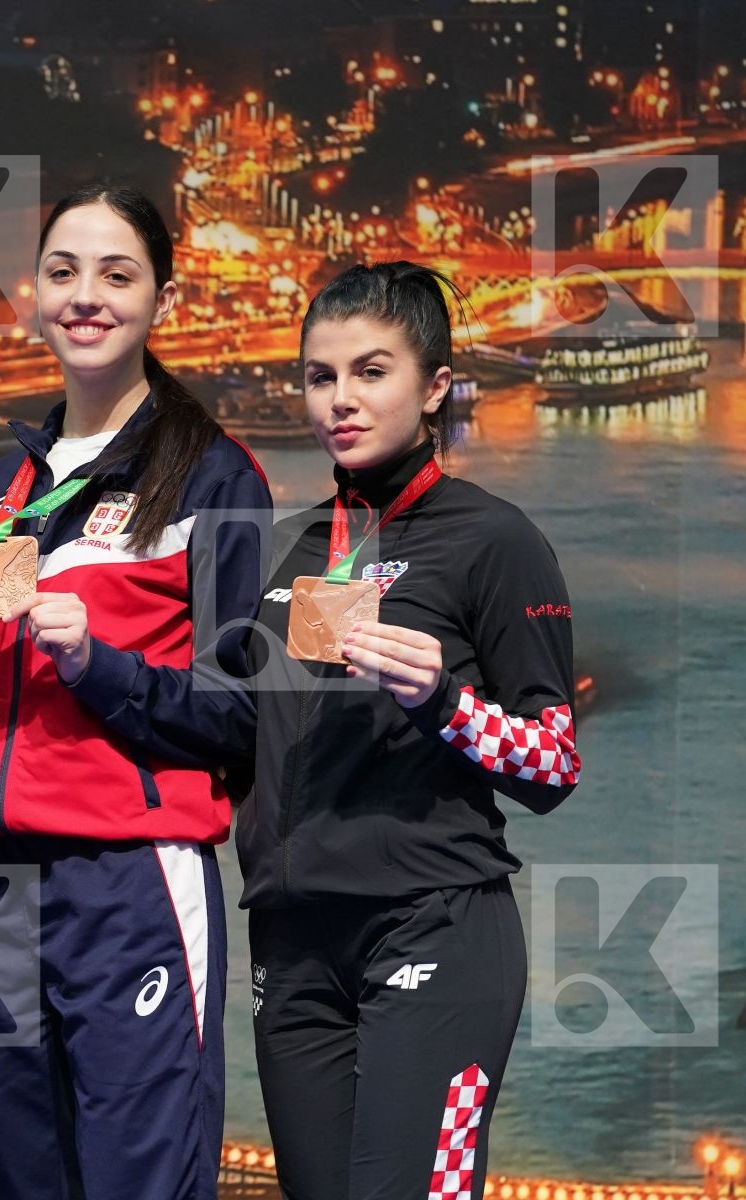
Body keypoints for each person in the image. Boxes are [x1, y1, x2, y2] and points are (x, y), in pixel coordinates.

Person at [0, 183, 273, 1199]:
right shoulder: (2, 487)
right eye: (65, 272)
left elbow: (239, 709)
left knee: (140, 1176)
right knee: (9, 1176)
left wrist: (99, 666)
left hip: (127, 878)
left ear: (160, 297)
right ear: (34, 293)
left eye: (116, 275)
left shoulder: (212, 478)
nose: (87, 297)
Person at [237, 261, 581, 1200]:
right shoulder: (287, 548)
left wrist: (443, 703)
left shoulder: (493, 539)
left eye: (371, 371)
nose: (340, 400)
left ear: (433, 388)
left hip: (434, 927)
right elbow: (236, 739)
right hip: (292, 947)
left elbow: (553, 762)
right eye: (320, 376)